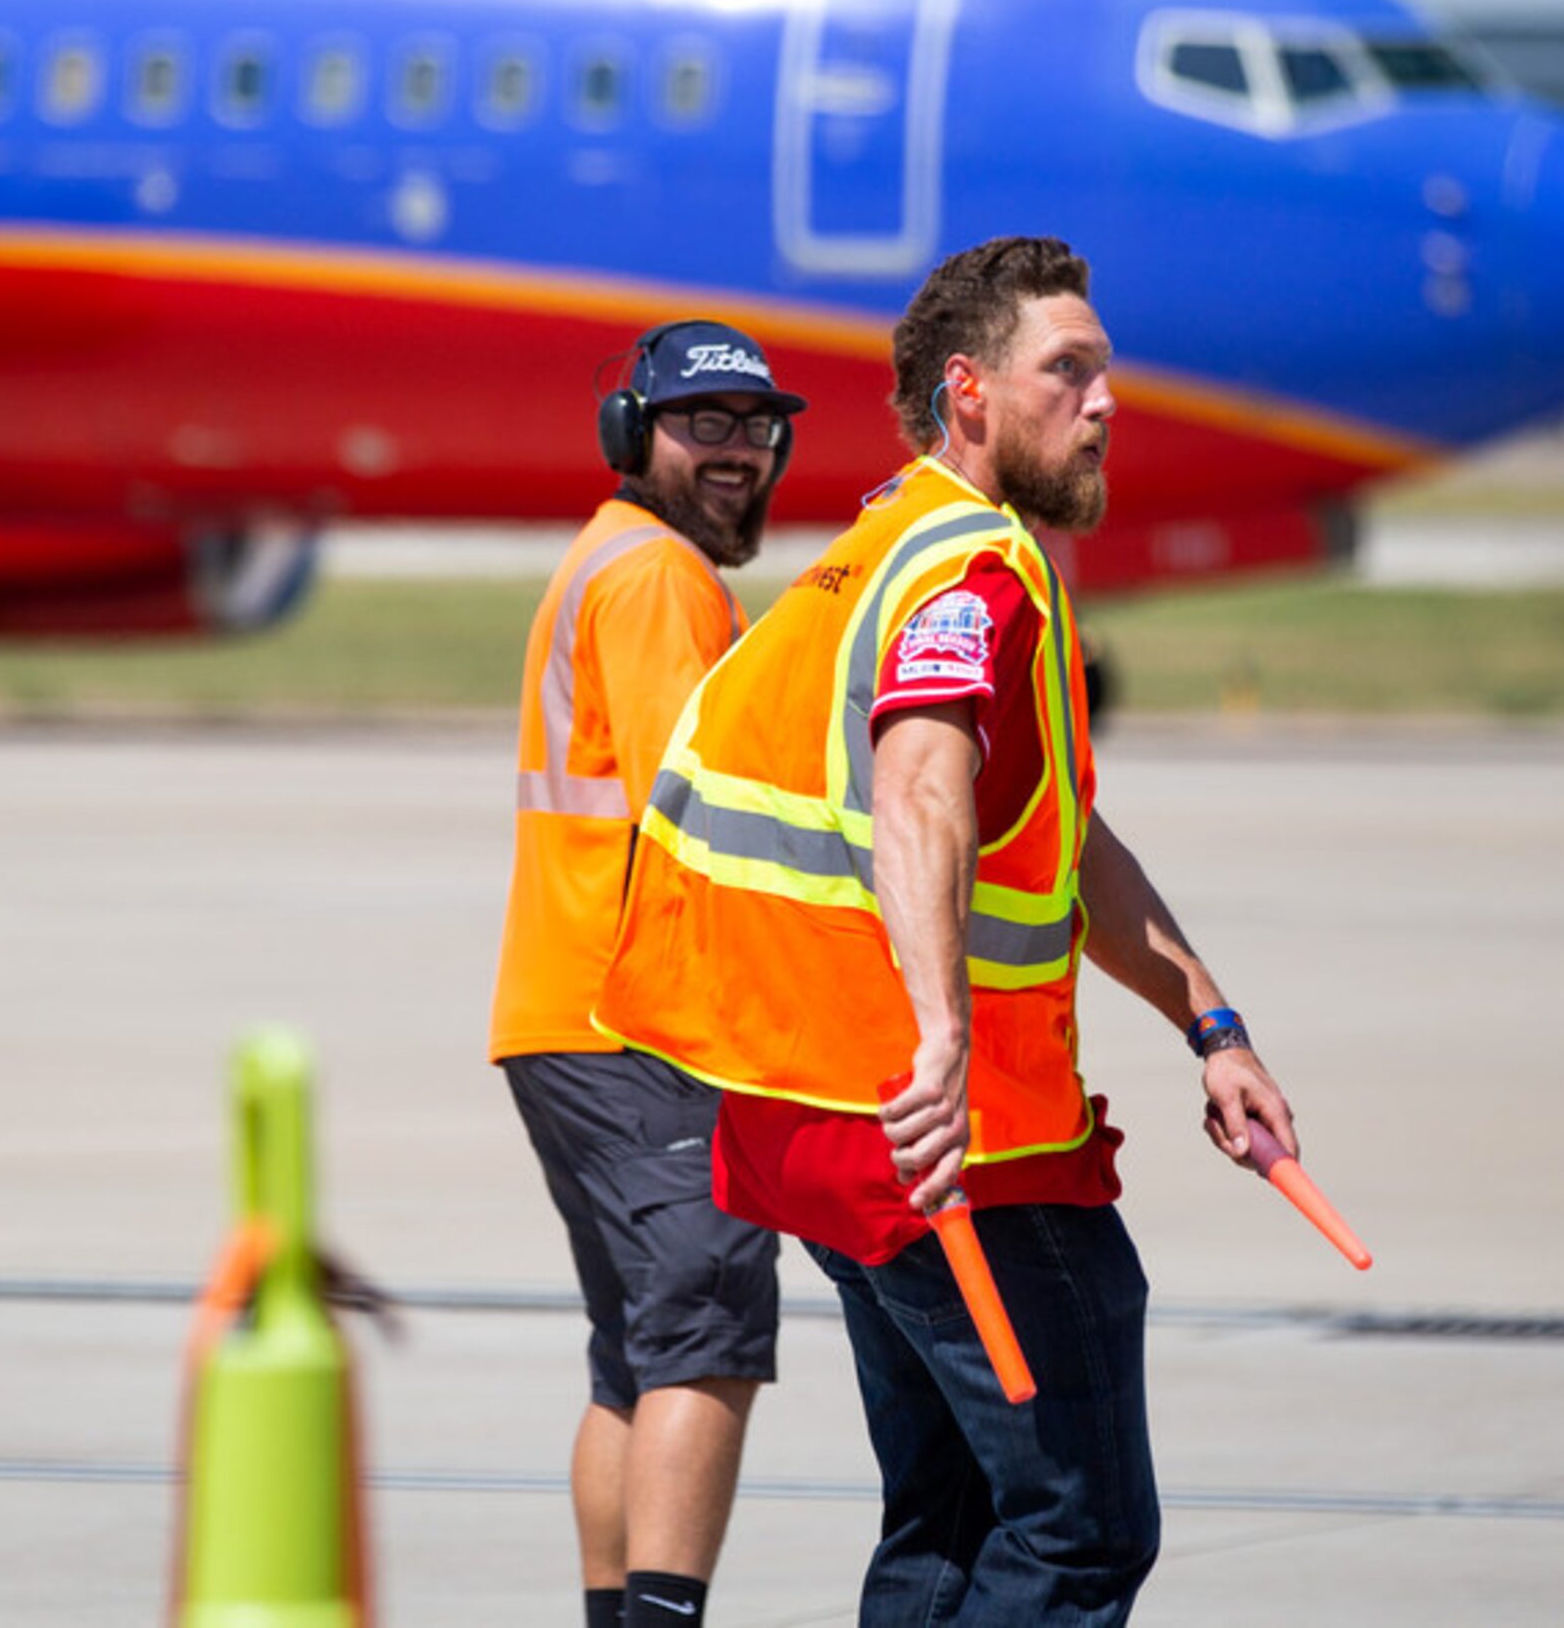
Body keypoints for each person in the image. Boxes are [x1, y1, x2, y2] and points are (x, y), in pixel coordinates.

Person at [598, 238, 1298, 1625]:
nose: (1105, 403)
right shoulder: (969, 572)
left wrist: (1209, 1023)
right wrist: (944, 1038)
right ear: (970, 394)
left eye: (1106, 372)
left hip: (837, 1126)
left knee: (954, 1516)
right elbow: (923, 780)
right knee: (1081, 1526)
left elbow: (1059, 844)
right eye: (1069, 372)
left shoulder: (876, 547)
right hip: (960, 1144)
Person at [490, 319, 808, 1628]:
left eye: (755, 426)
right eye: (703, 424)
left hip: (564, 1013)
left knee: (634, 1359)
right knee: (707, 1341)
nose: (735, 451)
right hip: (641, 1025)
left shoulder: (611, 559)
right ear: (635, 434)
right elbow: (706, 812)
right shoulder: (659, 578)